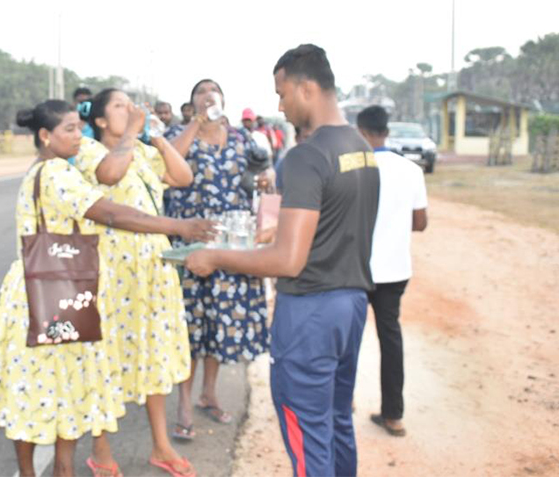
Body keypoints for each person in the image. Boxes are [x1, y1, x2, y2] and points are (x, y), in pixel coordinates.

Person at [0, 100, 215, 477]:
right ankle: (36, 472)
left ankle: (62, 470)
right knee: (40, 387)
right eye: (69, 129)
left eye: (78, 128)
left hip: (59, 286)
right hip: (48, 293)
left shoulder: (55, 168)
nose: (78, 135)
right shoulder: (55, 173)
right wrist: (178, 226)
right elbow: (110, 213)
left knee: (61, 385)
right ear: (45, 136)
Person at [185, 44, 380, 477]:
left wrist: (216, 256)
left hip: (310, 310)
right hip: (350, 306)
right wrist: (276, 230)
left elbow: (289, 261)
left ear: (305, 88)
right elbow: (331, 222)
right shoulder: (359, 147)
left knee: (307, 434)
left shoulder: (307, 156)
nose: (280, 105)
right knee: (335, 422)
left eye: (282, 93)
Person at [75, 89, 197, 477]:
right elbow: (110, 175)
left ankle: (161, 446)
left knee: (154, 356)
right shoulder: (89, 153)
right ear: (98, 121)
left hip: (152, 273)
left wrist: (157, 136)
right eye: (118, 106)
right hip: (110, 274)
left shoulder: (143, 152)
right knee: (105, 360)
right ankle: (101, 451)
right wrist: (132, 133)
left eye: (131, 105)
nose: (129, 111)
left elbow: (182, 175)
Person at [165, 79, 270, 442]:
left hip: (231, 244)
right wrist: (195, 122)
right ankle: (182, 403)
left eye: (214, 91)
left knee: (219, 321)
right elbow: (168, 166)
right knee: (189, 324)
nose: (208, 96)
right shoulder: (179, 133)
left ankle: (209, 392)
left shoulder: (241, 137)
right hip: (191, 241)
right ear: (192, 102)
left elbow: (254, 177)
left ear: (224, 99)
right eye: (200, 92)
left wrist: (261, 181)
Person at [356, 105, 428, 438]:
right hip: (395, 270)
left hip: (356, 268)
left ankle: (344, 403)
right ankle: (393, 415)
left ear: (362, 132)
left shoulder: (354, 168)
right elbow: (420, 223)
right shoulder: (410, 169)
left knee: (348, 338)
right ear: (387, 131)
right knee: (391, 339)